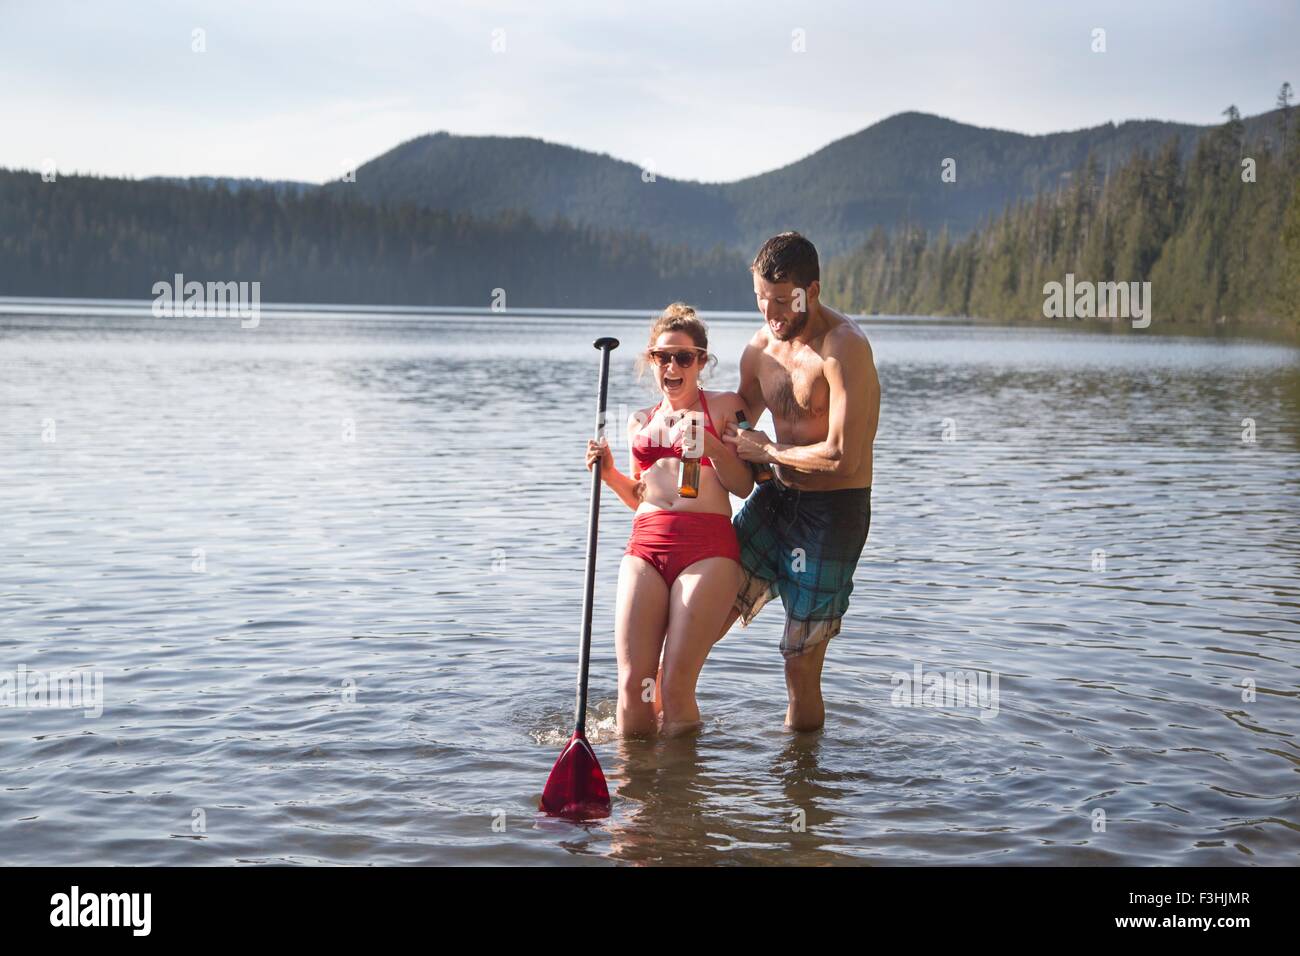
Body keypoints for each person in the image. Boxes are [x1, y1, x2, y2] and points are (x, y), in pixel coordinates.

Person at [718, 231, 881, 732]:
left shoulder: (843, 349)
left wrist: (768, 450)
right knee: (706, 608)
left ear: (812, 290)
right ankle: (669, 746)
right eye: (761, 301)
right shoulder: (761, 348)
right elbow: (737, 420)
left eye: (782, 301)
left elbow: (843, 458)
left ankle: (803, 780)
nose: (771, 314)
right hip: (774, 501)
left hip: (833, 514)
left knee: (798, 663)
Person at [584, 303, 754, 736]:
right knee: (634, 686)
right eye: (663, 357)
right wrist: (608, 474)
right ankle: (637, 795)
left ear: (701, 362)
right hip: (645, 546)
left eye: (684, 357)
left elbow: (744, 486)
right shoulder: (640, 420)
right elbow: (639, 495)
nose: (672, 366)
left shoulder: (724, 407)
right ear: (651, 361)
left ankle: (682, 799)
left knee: (675, 685)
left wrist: (713, 448)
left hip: (708, 550)